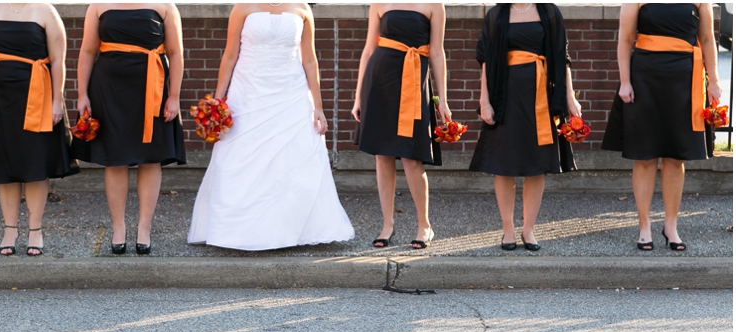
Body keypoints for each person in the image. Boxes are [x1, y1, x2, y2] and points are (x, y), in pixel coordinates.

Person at [188, 2, 354, 251]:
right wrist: (217, 102)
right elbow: (230, 54)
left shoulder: (302, 8)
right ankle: (237, 231)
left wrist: (317, 106)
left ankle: (290, 230)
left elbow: (309, 59)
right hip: (248, 93)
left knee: (294, 159)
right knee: (240, 157)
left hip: (291, 93)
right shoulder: (242, 7)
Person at [602, 4, 720, 252]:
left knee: (676, 158)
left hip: (686, 79)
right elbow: (625, 40)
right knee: (645, 157)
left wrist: (714, 82)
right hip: (645, 78)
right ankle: (644, 226)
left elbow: (707, 39)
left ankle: (671, 226)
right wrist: (624, 81)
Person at [72, 2, 185, 255]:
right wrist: (82, 94)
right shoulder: (98, 6)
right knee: (115, 158)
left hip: (152, 89)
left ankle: (144, 229)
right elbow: (88, 51)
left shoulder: (165, 6)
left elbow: (176, 53)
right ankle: (118, 228)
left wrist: (174, 96)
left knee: (150, 157)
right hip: (108, 89)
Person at [0, 2, 77, 257]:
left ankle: (35, 230)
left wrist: (57, 101)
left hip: (38, 96)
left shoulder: (47, 11)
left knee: (35, 162)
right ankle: (10, 229)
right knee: (3, 161)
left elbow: (59, 59)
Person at [469, 3, 582, 252]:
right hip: (504, 97)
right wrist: (484, 101)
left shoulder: (550, 12)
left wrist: (570, 97)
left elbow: (562, 57)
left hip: (540, 96)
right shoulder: (496, 14)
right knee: (504, 165)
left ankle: (528, 229)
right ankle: (507, 229)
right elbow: (486, 60)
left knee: (537, 164)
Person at [353, 3, 451, 249]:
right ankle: (387, 225)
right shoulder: (380, 3)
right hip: (380, 81)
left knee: (411, 157)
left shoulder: (434, 5)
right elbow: (368, 49)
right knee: (382, 155)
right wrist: (358, 96)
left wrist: (443, 100)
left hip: (415, 82)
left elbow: (437, 53)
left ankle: (424, 225)